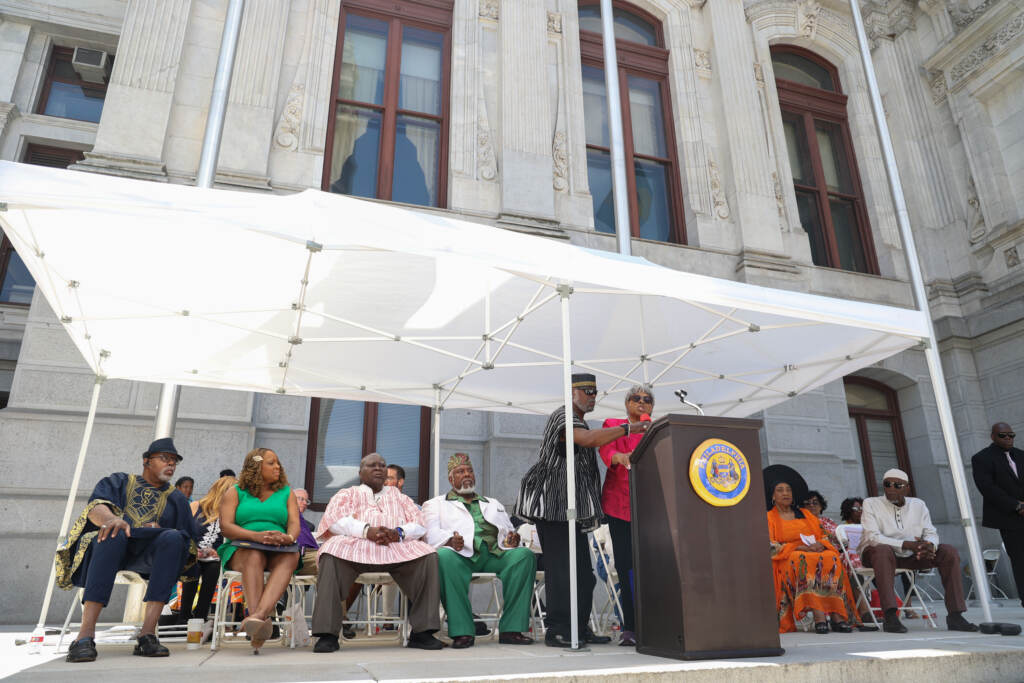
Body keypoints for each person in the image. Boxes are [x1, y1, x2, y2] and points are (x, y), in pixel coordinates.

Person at [515, 373, 650, 647]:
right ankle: (558, 630)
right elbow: (587, 439)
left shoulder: (579, 419)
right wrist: (628, 429)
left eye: (595, 391)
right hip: (553, 509)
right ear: (571, 392)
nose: (592, 395)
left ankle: (579, 626)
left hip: (572, 510)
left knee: (583, 575)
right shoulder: (563, 416)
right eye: (586, 390)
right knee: (563, 570)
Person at [56, 437, 197, 663]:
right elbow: (95, 508)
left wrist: (163, 531)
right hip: (110, 548)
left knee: (172, 538)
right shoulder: (119, 481)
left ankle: (147, 635)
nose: (170, 464)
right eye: (164, 458)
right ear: (146, 460)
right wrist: (113, 519)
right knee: (113, 533)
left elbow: (188, 539)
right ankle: (84, 637)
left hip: (149, 556)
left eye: (174, 461)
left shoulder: (177, 499)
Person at [311, 452, 443, 653]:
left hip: (396, 548)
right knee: (330, 552)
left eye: (382, 465)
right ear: (360, 472)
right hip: (355, 545)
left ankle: (422, 633)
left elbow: (419, 524)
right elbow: (335, 521)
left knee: (428, 555)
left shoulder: (400, 497)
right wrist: (366, 530)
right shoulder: (347, 493)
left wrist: (399, 532)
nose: (379, 468)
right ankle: (327, 635)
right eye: (372, 465)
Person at [423, 454, 536, 648]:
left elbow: (508, 531)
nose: (466, 475)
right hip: (461, 555)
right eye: (460, 472)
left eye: (469, 471)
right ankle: (462, 631)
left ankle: (511, 629)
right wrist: (449, 540)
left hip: (495, 555)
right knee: (443, 556)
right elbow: (430, 534)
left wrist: (513, 539)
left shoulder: (493, 503)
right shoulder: (436, 504)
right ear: (451, 479)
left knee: (524, 555)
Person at [859, 468, 978, 633]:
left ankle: (955, 615)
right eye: (887, 484)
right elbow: (873, 537)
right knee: (881, 550)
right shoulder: (871, 503)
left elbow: (930, 532)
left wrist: (929, 546)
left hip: (913, 554)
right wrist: (906, 544)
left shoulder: (918, 505)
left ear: (907, 488)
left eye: (897, 485)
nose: (891, 488)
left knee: (948, 552)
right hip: (877, 556)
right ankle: (890, 616)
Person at [218, 448, 301, 652]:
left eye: (277, 463)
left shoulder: (286, 492)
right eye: (271, 463)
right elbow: (226, 526)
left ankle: (257, 618)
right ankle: (258, 620)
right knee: (254, 554)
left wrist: (288, 537)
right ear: (256, 466)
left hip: (278, 548)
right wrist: (254, 536)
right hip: (243, 547)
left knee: (292, 555)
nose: (278, 467)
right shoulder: (235, 491)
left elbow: (294, 523)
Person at [596, 383, 654, 647]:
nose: (642, 402)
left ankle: (655, 623)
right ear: (627, 404)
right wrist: (618, 457)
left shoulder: (656, 430)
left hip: (650, 507)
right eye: (636, 398)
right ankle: (630, 626)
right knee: (625, 565)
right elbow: (606, 449)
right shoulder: (615, 423)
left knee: (652, 566)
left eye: (647, 399)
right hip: (618, 507)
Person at [766, 478, 857, 634]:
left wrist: (821, 544)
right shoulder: (769, 517)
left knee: (831, 557)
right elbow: (769, 545)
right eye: (780, 490)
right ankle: (819, 616)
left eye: (788, 490)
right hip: (788, 558)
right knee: (803, 559)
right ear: (773, 496)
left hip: (815, 550)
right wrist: (796, 546)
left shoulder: (806, 514)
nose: (785, 493)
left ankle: (837, 616)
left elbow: (825, 535)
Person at [971, 422, 1024, 608]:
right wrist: (1015, 505)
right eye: (1003, 435)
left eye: (1011, 435)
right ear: (993, 436)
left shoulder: (1021, 455)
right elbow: (987, 487)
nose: (1008, 438)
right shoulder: (982, 458)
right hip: (1009, 518)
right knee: (1020, 559)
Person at [179, 476, 235, 629]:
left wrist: (218, 552)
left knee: (213, 569)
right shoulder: (196, 506)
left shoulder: (232, 514)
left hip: (215, 557)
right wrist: (193, 549)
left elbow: (233, 540)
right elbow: (182, 531)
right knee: (193, 566)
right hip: (192, 553)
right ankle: (184, 616)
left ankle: (200, 616)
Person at [292, 488, 319, 576]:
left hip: (310, 554)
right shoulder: (284, 513)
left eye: (306, 501)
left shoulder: (308, 525)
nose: (304, 503)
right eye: (301, 499)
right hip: (296, 556)